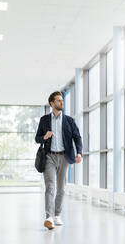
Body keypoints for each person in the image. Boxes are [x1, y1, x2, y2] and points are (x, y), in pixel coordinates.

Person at [35, 91, 82, 230]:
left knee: (61, 188)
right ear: (52, 103)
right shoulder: (44, 120)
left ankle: (57, 215)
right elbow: (36, 138)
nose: (62, 102)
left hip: (64, 156)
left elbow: (77, 137)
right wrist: (44, 136)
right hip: (49, 156)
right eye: (58, 100)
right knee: (50, 186)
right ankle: (49, 217)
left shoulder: (69, 120)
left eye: (62, 100)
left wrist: (79, 152)